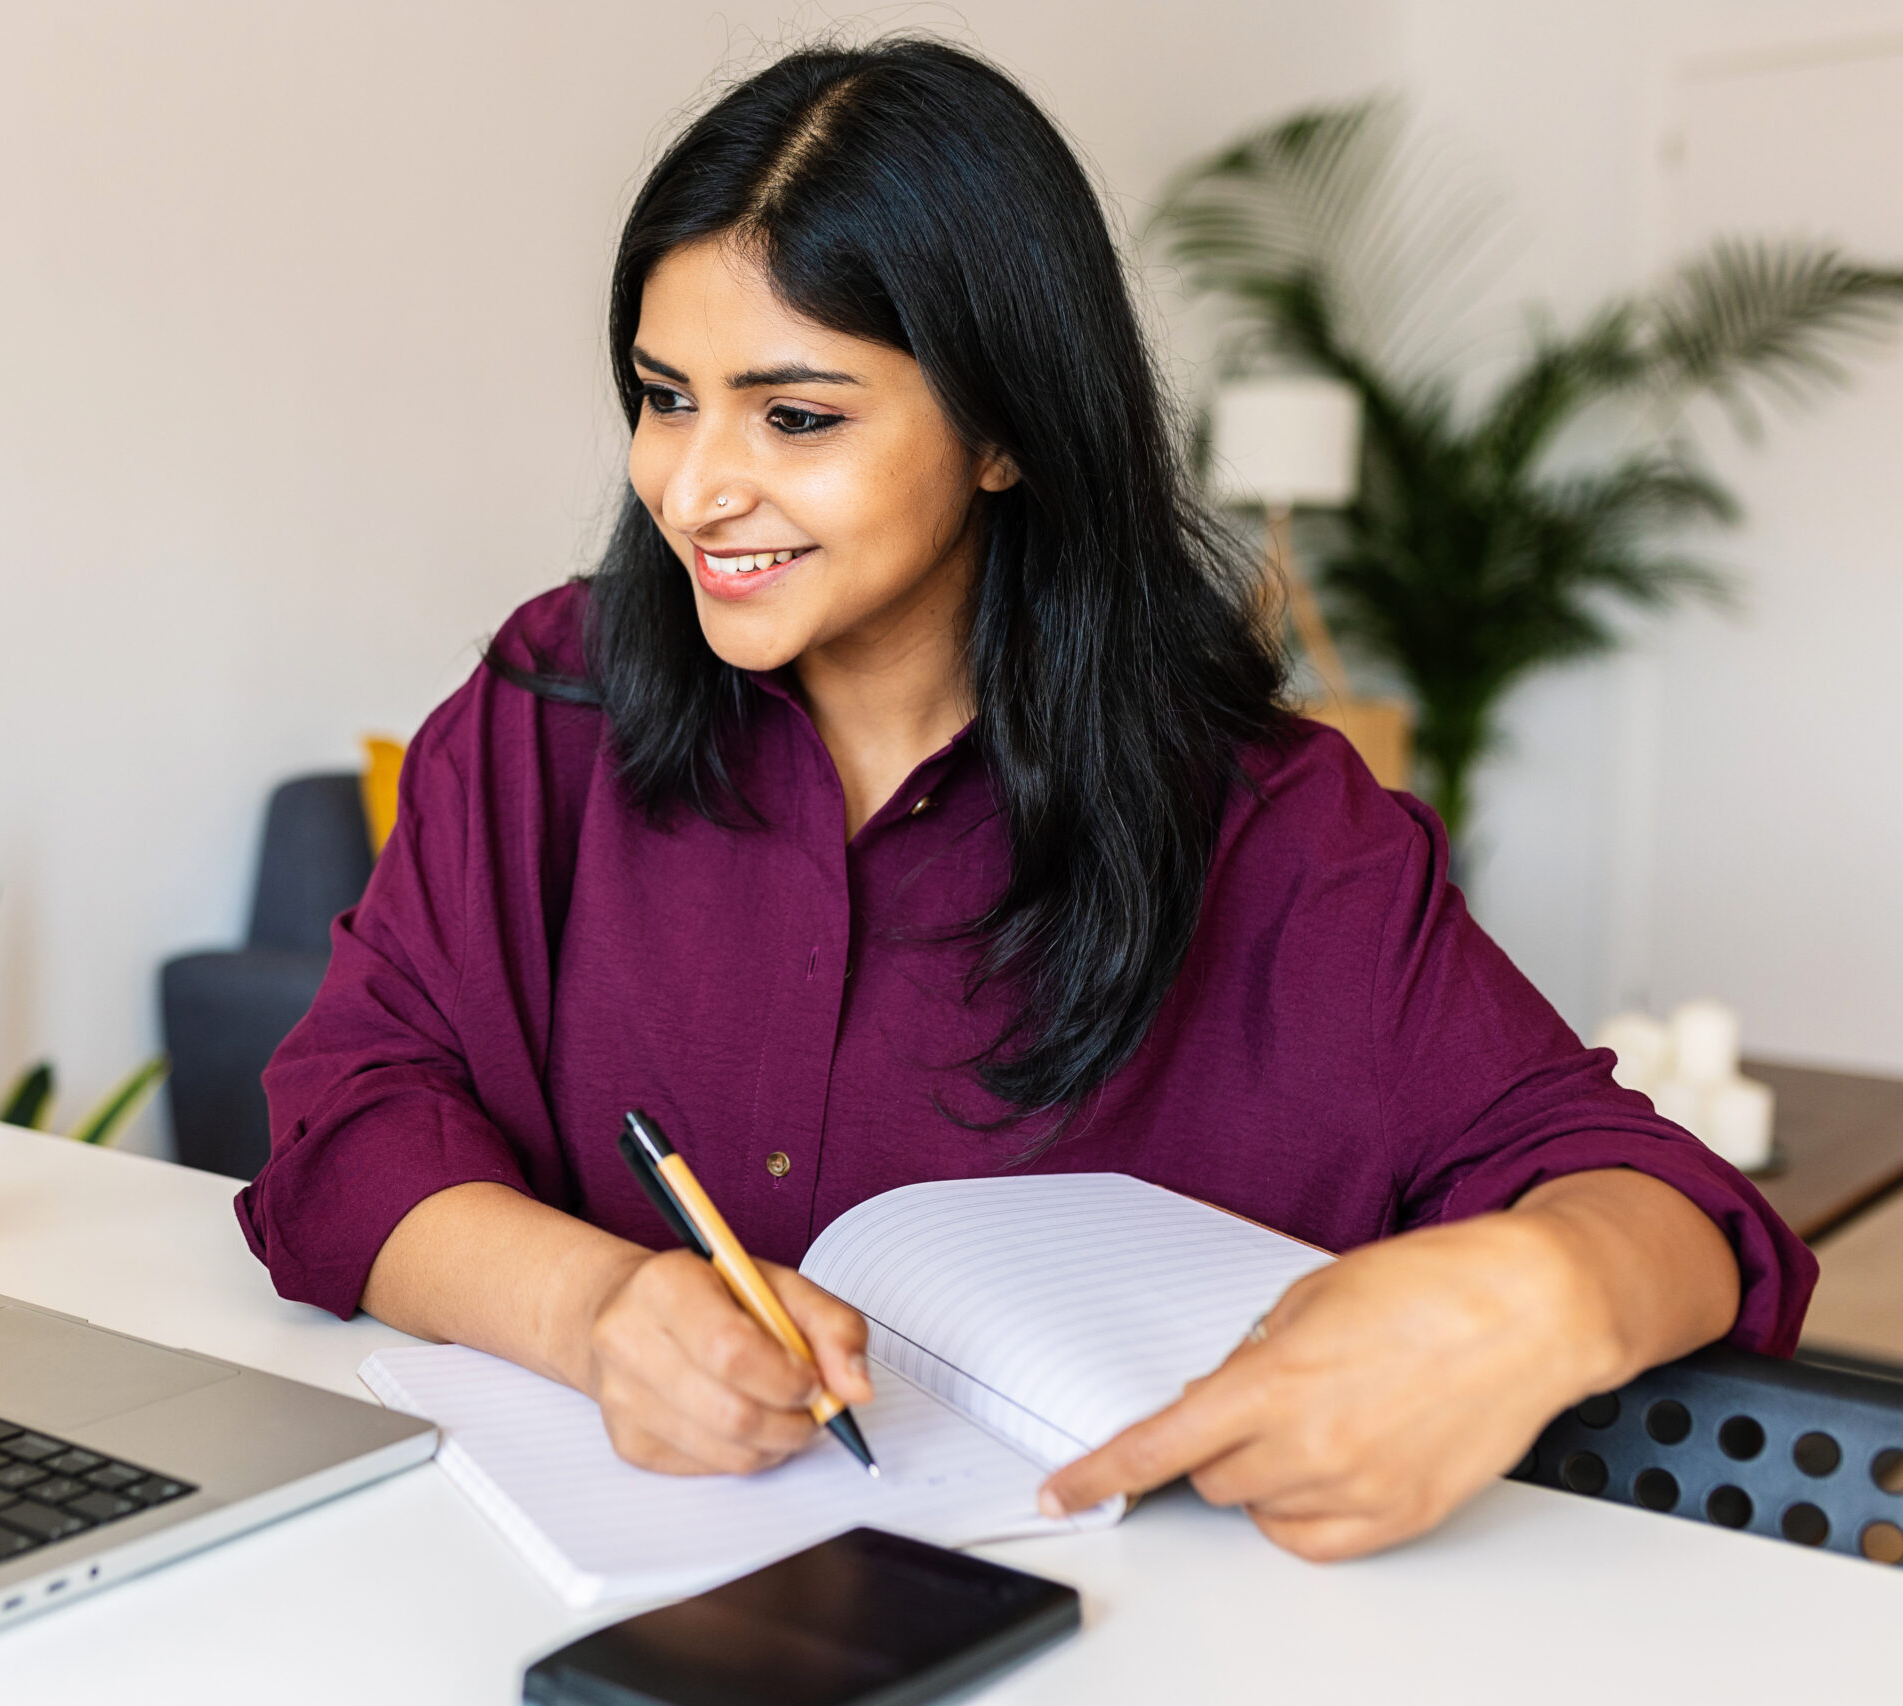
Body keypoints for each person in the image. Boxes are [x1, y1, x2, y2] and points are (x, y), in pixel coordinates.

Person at [234, 37, 1811, 1562]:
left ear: (1002, 430)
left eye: (796, 416)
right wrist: (593, 1312)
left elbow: (1660, 1203)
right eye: (664, 395)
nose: (694, 487)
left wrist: (1534, 1298)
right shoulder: (554, 704)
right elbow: (348, 1123)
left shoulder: (1274, 826)